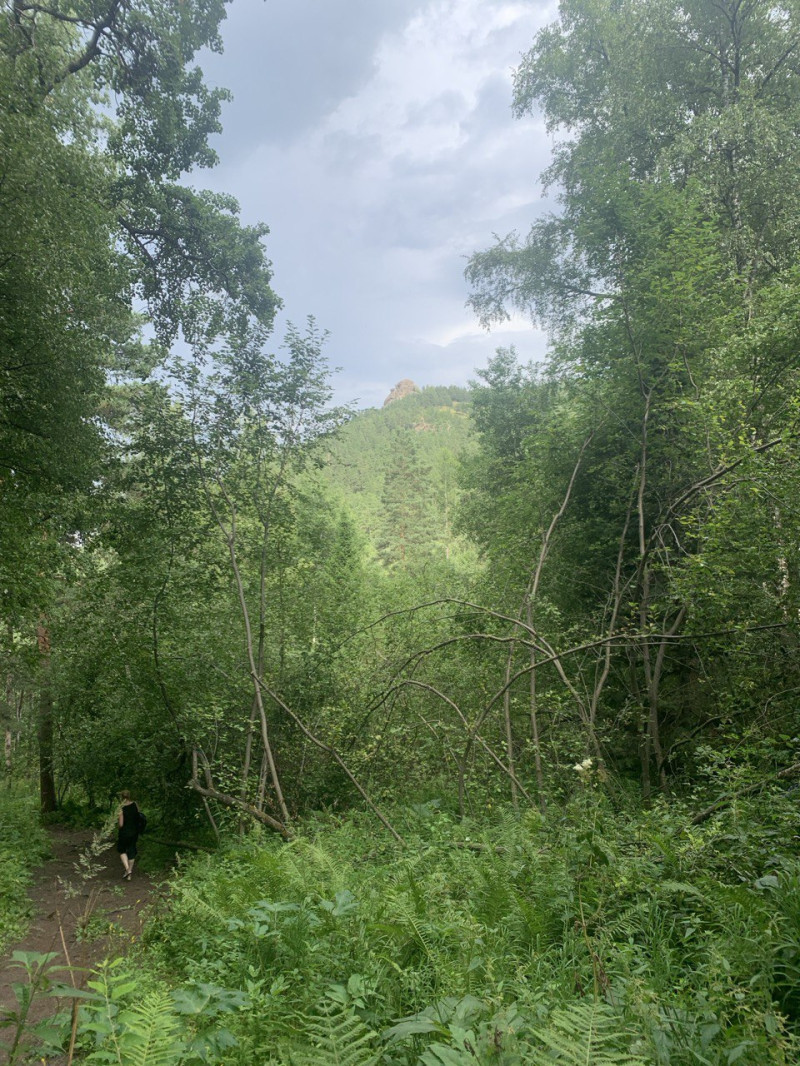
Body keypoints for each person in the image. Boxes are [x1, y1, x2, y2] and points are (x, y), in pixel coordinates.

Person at [117, 789, 140, 881]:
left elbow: (121, 824)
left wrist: (118, 826)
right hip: (134, 831)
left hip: (124, 833)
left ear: (121, 797)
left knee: (122, 850)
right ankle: (129, 873)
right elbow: (138, 816)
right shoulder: (135, 804)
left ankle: (128, 870)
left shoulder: (121, 808)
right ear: (129, 796)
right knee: (131, 850)